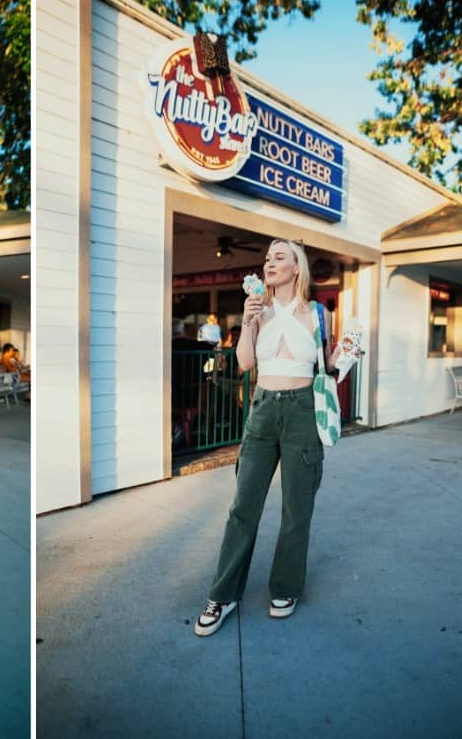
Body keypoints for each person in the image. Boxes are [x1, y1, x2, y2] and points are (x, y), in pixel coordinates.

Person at [195, 238, 343, 637]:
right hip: (262, 410)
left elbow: (326, 365)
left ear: (297, 268)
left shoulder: (317, 313)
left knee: (297, 509)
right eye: (267, 258)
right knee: (243, 507)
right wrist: (246, 320)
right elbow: (245, 362)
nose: (269, 262)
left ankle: (285, 587)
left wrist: (348, 354)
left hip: (303, 411)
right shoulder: (256, 311)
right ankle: (222, 595)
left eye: (280, 257)